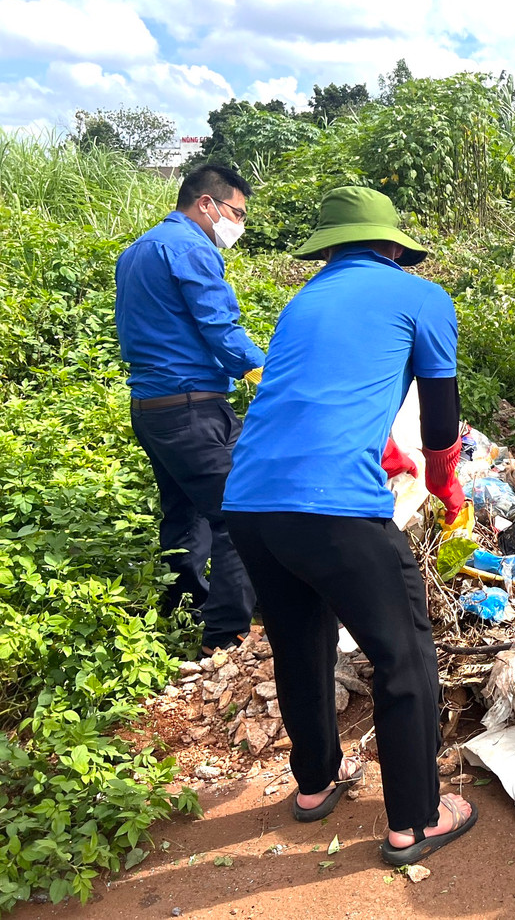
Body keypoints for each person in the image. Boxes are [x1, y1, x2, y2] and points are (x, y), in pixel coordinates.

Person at [222, 187, 475, 865]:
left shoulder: (302, 304)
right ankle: (416, 820)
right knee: (404, 653)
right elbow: (442, 425)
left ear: (329, 250)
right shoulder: (423, 299)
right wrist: (447, 486)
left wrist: (378, 448)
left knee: (301, 642)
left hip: (249, 501)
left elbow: (313, 400)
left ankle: (315, 783)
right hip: (334, 506)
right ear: (394, 246)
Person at [115, 164, 263, 655]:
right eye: (236, 213)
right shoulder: (190, 248)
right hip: (193, 408)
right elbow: (219, 326)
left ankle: (182, 607)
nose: (238, 225)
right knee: (240, 513)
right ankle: (224, 639)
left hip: (151, 407)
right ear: (207, 204)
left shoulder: (137, 250)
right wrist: (267, 375)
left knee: (184, 514)